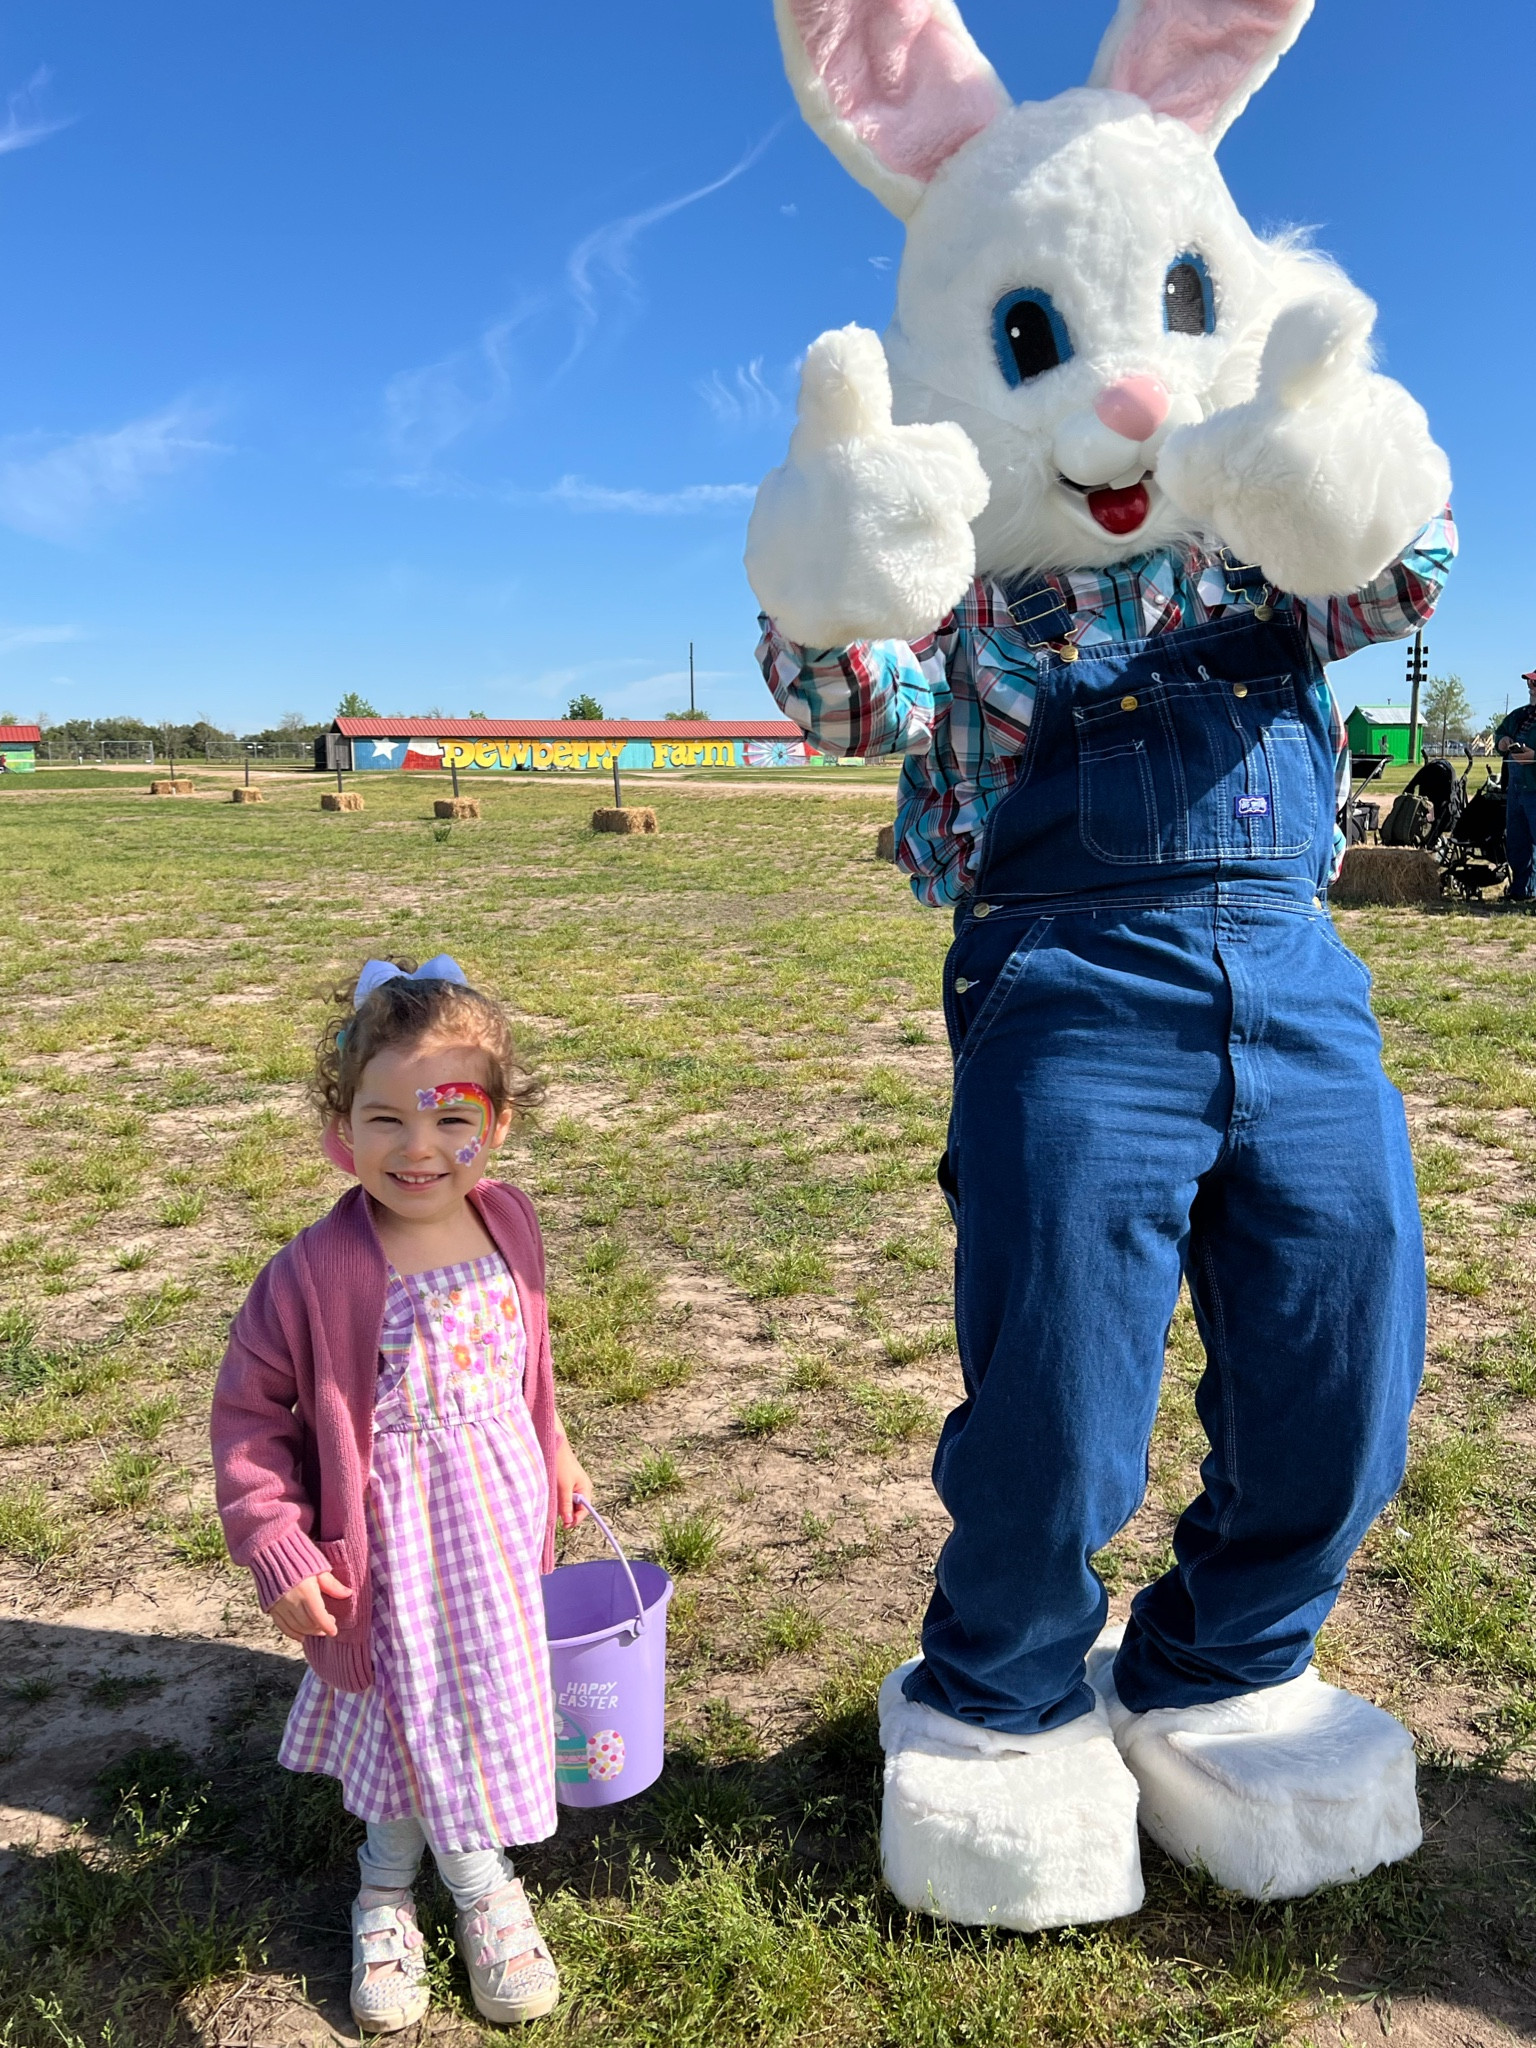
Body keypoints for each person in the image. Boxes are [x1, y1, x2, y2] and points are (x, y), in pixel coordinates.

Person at [211, 956, 591, 2033]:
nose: (418, 1147)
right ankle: (429, 1890)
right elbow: (248, 1420)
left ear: (500, 1122)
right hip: (389, 1560)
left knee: (465, 1712)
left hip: (495, 1539)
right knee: (411, 1715)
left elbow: (532, 1365)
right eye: (384, 1117)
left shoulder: (509, 1221)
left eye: (451, 1115)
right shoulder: (311, 1271)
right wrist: (278, 1545)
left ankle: (419, 1878)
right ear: (341, 1126)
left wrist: (555, 1447)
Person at [1494, 670, 1536, 900]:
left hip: (1535, 787)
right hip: (1516, 788)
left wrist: (1533, 756)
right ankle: (1522, 890)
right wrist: (1502, 741)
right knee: (1517, 841)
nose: (1530, 686)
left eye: (1534, 683)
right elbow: (1499, 732)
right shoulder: (1519, 715)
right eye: (1530, 682)